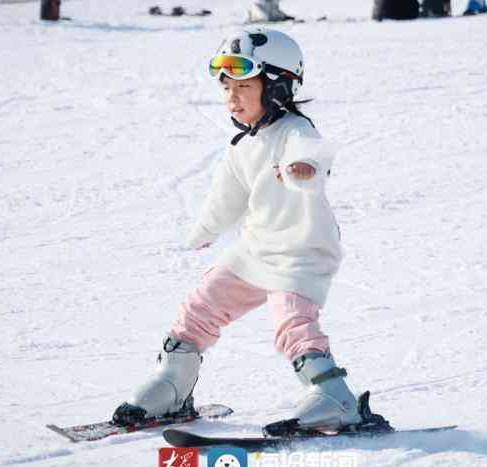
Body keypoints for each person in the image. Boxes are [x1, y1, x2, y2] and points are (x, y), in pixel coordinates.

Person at [112, 28, 385, 435]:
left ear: (276, 87)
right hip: (255, 250)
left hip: (301, 251)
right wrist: (204, 229)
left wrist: (303, 168)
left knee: (292, 323)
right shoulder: (242, 145)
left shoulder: (296, 131)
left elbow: (312, 152)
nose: (232, 97)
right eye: (227, 88)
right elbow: (227, 198)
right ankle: (174, 384)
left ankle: (335, 397)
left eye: (243, 86)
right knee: (201, 307)